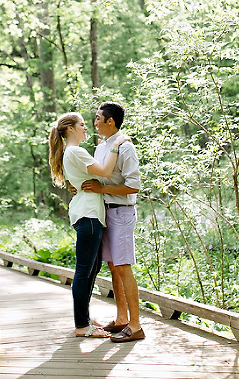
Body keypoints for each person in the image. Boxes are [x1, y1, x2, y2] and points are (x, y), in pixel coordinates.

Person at [48, 112, 131, 338]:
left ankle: (84, 318)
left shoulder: (71, 152)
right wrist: (116, 145)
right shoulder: (75, 151)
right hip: (89, 216)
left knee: (91, 269)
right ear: (71, 129)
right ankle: (82, 325)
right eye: (83, 125)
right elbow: (104, 171)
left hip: (88, 214)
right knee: (84, 271)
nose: (87, 128)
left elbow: (89, 179)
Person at [80, 102, 144, 343]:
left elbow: (133, 185)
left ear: (110, 122)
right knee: (114, 268)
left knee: (124, 267)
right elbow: (97, 177)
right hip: (105, 212)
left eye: (97, 118)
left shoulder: (125, 147)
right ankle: (121, 319)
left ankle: (136, 326)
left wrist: (102, 188)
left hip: (122, 213)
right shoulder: (102, 147)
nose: (94, 123)